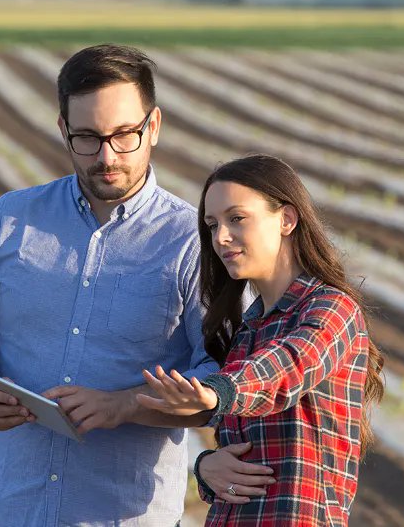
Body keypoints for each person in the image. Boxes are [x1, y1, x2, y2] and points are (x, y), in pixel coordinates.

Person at [0, 44, 222, 526]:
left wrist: (124, 406)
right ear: (63, 129)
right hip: (8, 511)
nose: (106, 156)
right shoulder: (9, 220)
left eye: (124, 135)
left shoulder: (193, 242)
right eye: (86, 137)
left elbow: (218, 387)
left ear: (154, 126)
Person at [137, 154, 386, 526]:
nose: (220, 237)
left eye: (236, 218)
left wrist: (219, 390)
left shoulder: (331, 309)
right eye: (211, 224)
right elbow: (239, 454)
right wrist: (206, 467)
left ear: (286, 219)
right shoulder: (248, 330)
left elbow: (287, 366)